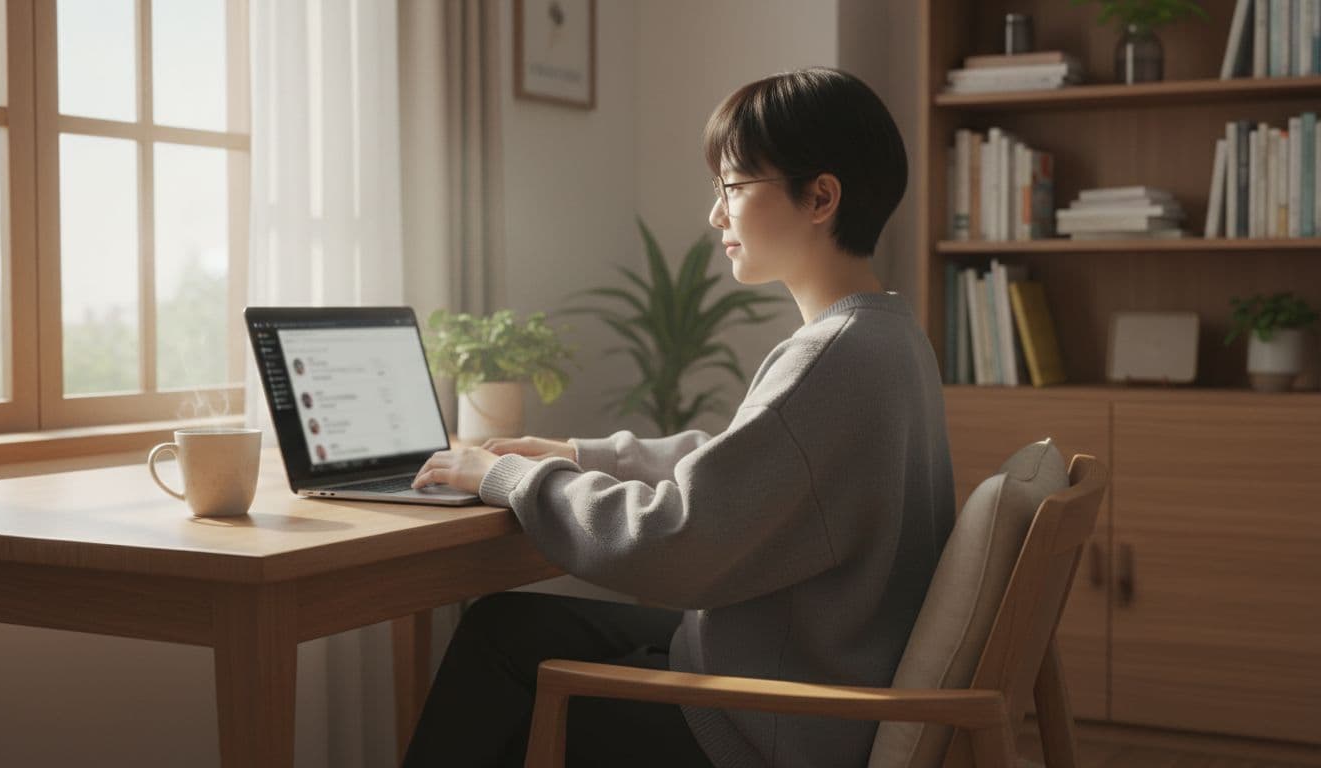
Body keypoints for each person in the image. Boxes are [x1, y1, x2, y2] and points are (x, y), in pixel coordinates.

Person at [403, 67, 954, 768]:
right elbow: (748, 464)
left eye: (732, 187)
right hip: (792, 676)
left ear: (820, 197)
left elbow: (676, 543)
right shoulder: (888, 335)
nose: (716, 215)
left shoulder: (833, 357)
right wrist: (575, 452)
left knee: (505, 674)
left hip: (771, 722)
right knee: (505, 627)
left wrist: (507, 477)